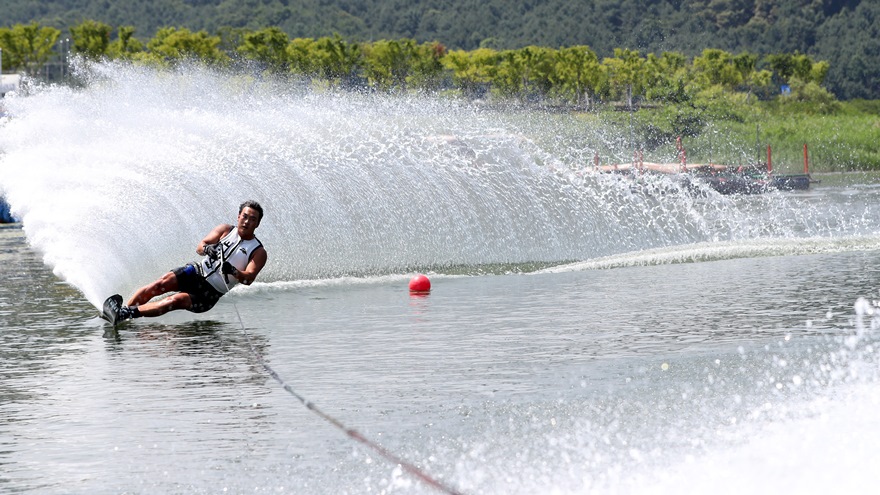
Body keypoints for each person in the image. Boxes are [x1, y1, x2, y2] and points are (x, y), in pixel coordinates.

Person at [104, 200, 267, 324]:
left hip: (209, 294)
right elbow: (200, 246)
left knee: (176, 301)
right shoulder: (225, 230)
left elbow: (249, 278)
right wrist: (207, 249)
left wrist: (233, 271)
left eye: (252, 219)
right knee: (160, 284)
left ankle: (125, 314)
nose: (247, 222)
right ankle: (122, 314)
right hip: (196, 272)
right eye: (244, 216)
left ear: (257, 224)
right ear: (239, 216)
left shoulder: (258, 251)